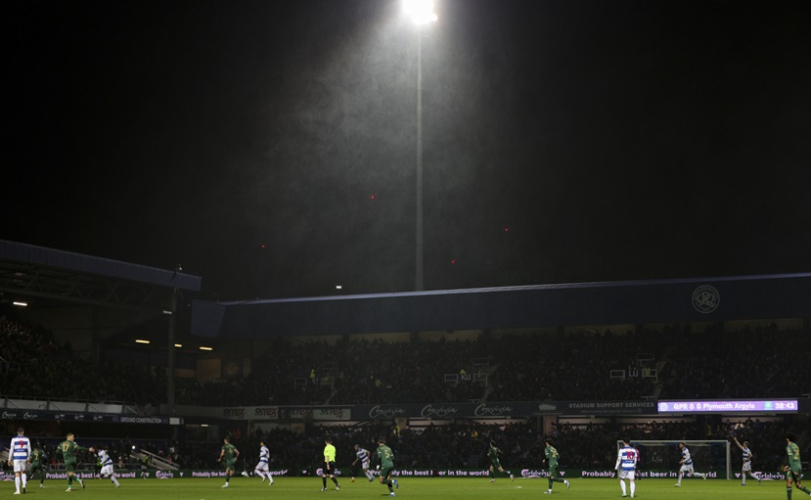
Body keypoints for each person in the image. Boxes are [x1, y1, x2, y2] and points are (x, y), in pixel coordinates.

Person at [784, 433, 811, 499]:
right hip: (798, 465)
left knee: (789, 484)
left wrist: (792, 468)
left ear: (787, 439)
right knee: (798, 485)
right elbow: (795, 457)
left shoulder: (789, 447)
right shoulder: (796, 446)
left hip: (793, 467)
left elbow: (791, 458)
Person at [8, 427, 31, 495]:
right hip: (24, 457)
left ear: (17, 432)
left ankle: (18, 491)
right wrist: (28, 458)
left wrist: (9, 459)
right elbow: (29, 450)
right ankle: (24, 484)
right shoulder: (26, 439)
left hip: (16, 457)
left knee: (17, 473)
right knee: (23, 472)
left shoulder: (14, 439)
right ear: (23, 432)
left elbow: (11, 450)